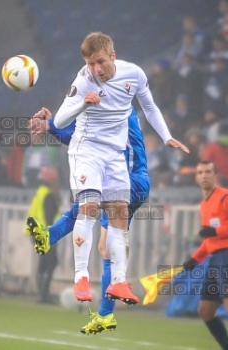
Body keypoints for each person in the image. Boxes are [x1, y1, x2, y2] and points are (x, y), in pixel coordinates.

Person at [47, 32, 188, 304]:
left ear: (113, 56)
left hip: (114, 154)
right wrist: (82, 103)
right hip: (87, 150)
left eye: (100, 62)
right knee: (89, 208)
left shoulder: (133, 74)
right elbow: (61, 118)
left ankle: (119, 282)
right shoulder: (84, 79)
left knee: (119, 214)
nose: (96, 69)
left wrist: (166, 136)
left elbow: (150, 106)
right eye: (90, 63)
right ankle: (81, 277)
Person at [27, 104, 187, 334]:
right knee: (105, 247)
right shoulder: (112, 106)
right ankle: (106, 313)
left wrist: (52, 125)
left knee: (88, 202)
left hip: (129, 179)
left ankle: (51, 235)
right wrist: (52, 126)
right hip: (133, 181)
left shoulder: (114, 107)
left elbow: (79, 139)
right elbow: (80, 138)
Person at [182, 160, 228, 350]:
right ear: (196, 178)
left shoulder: (225, 197)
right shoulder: (203, 205)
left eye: (208, 172)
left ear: (215, 176)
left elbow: (213, 233)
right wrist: (195, 258)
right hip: (215, 258)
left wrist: (215, 232)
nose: (204, 176)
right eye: (200, 172)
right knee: (206, 310)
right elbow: (208, 240)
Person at [26, 167, 60, 304]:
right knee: (51, 262)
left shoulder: (40, 192)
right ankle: (43, 294)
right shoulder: (49, 195)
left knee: (44, 263)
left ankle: (41, 293)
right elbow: (49, 217)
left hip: (36, 231)